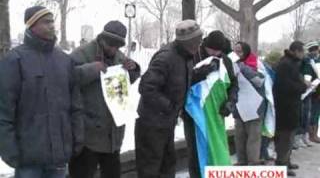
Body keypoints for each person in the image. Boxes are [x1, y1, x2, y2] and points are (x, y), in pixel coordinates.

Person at [0, 6, 84, 178]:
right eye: (46, 22)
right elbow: (4, 111)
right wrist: (10, 151)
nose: (52, 26)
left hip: (59, 157)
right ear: (31, 25)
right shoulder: (14, 60)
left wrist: (77, 138)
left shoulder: (64, 60)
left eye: (53, 21)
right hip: (28, 160)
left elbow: (75, 105)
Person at [68, 21, 140, 178]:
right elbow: (67, 79)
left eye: (117, 46)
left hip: (113, 135)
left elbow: (128, 79)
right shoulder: (81, 54)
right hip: (88, 136)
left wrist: (133, 69)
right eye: (110, 45)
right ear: (101, 38)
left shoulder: (118, 56)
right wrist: (92, 69)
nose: (113, 49)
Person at [135, 19, 203, 178]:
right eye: (197, 41)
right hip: (151, 124)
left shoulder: (187, 56)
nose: (199, 45)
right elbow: (146, 87)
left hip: (167, 121)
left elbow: (180, 80)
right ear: (188, 42)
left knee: (168, 164)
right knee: (150, 168)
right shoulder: (165, 58)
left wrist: (201, 74)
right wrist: (169, 105)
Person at [182, 31, 238, 178]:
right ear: (205, 46)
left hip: (217, 113)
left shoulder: (225, 60)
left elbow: (233, 84)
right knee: (197, 151)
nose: (215, 53)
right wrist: (202, 72)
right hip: (194, 114)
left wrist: (231, 102)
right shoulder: (192, 56)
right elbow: (182, 82)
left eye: (218, 51)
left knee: (218, 146)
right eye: (212, 50)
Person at [273, 41, 308, 177]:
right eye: (302, 51)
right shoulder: (285, 64)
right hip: (285, 107)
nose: (303, 54)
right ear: (296, 51)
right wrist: (303, 86)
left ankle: (287, 160)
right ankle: (281, 164)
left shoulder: (292, 63)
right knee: (284, 137)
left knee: (290, 135)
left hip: (292, 105)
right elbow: (287, 86)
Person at [233, 41, 265, 165]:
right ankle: (241, 162)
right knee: (239, 138)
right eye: (235, 51)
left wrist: (242, 68)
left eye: (239, 51)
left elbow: (259, 81)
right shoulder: (232, 64)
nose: (237, 54)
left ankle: (253, 164)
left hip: (254, 109)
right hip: (239, 109)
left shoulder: (256, 63)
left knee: (253, 139)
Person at [301, 41, 320, 144]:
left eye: (315, 49)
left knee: (316, 113)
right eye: (312, 50)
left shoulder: (316, 60)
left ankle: (314, 134)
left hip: (317, 90)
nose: (314, 51)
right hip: (309, 90)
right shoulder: (307, 61)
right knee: (309, 113)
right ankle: (309, 135)